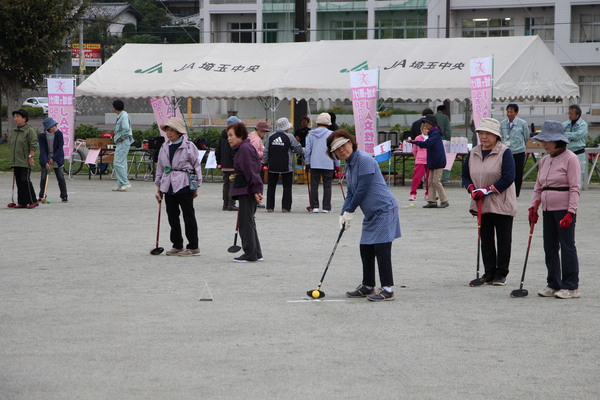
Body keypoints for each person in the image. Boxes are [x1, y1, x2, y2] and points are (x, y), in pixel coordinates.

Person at [327, 130, 401, 302]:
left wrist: (350, 211)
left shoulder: (364, 160)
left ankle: (388, 289)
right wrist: (343, 214)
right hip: (371, 213)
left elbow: (363, 189)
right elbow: (352, 192)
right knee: (366, 247)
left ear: (351, 142)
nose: (342, 150)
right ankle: (368, 285)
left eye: (343, 145)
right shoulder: (350, 165)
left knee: (381, 249)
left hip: (384, 209)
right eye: (337, 149)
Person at [529, 121, 581, 299]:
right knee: (549, 247)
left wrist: (570, 211)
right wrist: (533, 206)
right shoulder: (544, 160)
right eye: (543, 140)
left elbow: (575, 188)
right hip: (547, 209)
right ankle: (553, 282)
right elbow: (538, 186)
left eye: (547, 141)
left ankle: (571, 286)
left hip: (564, 209)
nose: (544, 144)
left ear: (558, 141)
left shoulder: (571, 159)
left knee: (567, 247)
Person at [462, 117, 516, 286]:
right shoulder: (474, 152)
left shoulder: (504, 152)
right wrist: (471, 188)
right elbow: (465, 175)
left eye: (488, 133)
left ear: (496, 136)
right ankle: (489, 272)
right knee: (485, 238)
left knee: (503, 238)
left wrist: (487, 189)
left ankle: (501, 273)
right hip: (481, 202)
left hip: (501, 201)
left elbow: (509, 177)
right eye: (481, 133)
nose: (483, 136)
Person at [154, 117, 202, 256]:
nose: (169, 133)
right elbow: (160, 167)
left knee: (188, 215)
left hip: (184, 183)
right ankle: (177, 244)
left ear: (179, 132)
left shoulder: (189, 146)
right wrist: (158, 186)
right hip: (168, 184)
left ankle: (193, 246)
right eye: (167, 130)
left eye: (172, 130)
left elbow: (196, 166)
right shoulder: (164, 146)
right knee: (172, 215)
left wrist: (196, 185)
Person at [227, 122, 264, 263]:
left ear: (240, 135)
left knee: (245, 222)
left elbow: (251, 171)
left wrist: (256, 190)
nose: (229, 138)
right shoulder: (245, 148)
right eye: (228, 136)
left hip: (247, 190)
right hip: (248, 188)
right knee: (249, 221)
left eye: (231, 135)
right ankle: (256, 252)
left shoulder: (244, 149)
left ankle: (250, 253)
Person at [263, 117, 304, 212]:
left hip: (272, 166)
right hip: (286, 166)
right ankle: (286, 207)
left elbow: (266, 151)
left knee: (271, 187)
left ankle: (270, 207)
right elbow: (298, 148)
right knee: (287, 187)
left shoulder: (271, 137)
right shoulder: (289, 137)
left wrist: (266, 162)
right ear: (286, 127)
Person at [410, 115, 449, 208]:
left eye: (426, 122)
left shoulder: (436, 133)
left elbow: (427, 144)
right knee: (430, 181)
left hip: (438, 161)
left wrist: (415, 142)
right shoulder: (432, 132)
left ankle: (444, 200)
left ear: (431, 124)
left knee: (436, 181)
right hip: (432, 160)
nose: (424, 124)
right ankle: (431, 200)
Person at [305, 112, 340, 213]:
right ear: (329, 123)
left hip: (314, 162)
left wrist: (307, 163)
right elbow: (334, 149)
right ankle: (326, 207)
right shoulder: (332, 134)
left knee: (314, 185)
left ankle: (314, 206)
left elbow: (308, 150)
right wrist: (337, 164)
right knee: (327, 185)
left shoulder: (310, 134)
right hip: (328, 163)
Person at [9, 109, 38, 208]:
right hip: (16, 160)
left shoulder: (29, 130)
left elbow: (33, 144)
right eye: (14, 117)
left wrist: (31, 157)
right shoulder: (15, 131)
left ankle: (33, 200)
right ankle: (22, 201)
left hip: (25, 160)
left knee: (25, 180)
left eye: (18, 116)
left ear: (24, 119)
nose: (15, 119)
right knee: (19, 181)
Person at [500, 103, 530, 197]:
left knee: (518, 172)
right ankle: (506, 191)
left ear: (516, 112)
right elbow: (501, 136)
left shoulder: (522, 123)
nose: (509, 114)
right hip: (506, 151)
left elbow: (526, 137)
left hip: (518, 152)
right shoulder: (502, 123)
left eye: (511, 112)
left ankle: (516, 193)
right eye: (508, 111)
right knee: (505, 172)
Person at [38, 117, 68, 203]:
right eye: (52, 126)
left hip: (57, 158)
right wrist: (45, 162)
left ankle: (64, 196)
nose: (54, 127)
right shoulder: (42, 136)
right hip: (46, 158)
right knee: (43, 178)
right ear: (48, 128)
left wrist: (53, 158)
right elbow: (42, 150)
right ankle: (42, 195)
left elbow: (59, 148)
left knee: (60, 177)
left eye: (55, 125)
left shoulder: (59, 134)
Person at [215, 116, 241, 211]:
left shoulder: (222, 136)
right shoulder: (233, 136)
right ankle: (231, 203)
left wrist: (219, 162)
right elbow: (233, 151)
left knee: (226, 184)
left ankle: (225, 204)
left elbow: (217, 151)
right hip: (232, 165)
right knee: (232, 184)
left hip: (224, 165)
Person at [562, 105, 588, 185]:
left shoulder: (583, 125)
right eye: (569, 113)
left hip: (578, 153)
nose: (569, 115)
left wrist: (565, 134)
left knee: (578, 177)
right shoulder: (566, 124)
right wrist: (569, 134)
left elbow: (577, 135)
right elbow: (558, 131)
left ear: (577, 114)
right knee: (565, 176)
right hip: (566, 153)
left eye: (571, 114)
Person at [112, 100, 133, 192]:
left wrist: (122, 137)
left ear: (114, 108)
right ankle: (120, 183)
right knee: (122, 163)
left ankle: (125, 182)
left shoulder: (123, 116)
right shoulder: (122, 115)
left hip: (123, 142)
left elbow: (126, 128)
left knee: (117, 163)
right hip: (123, 142)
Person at [409, 128, 429, 201]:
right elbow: (414, 150)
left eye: (428, 129)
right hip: (420, 160)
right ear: (422, 130)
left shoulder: (432, 137)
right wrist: (417, 157)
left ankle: (428, 193)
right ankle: (413, 193)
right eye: (425, 129)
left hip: (429, 160)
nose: (427, 130)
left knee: (429, 178)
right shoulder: (418, 138)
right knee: (417, 177)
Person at [436, 105, 452, 182]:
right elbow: (447, 130)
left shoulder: (433, 117)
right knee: (445, 159)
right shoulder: (445, 117)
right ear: (444, 110)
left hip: (433, 141)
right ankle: (445, 177)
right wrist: (449, 139)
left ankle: (434, 177)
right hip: (443, 141)